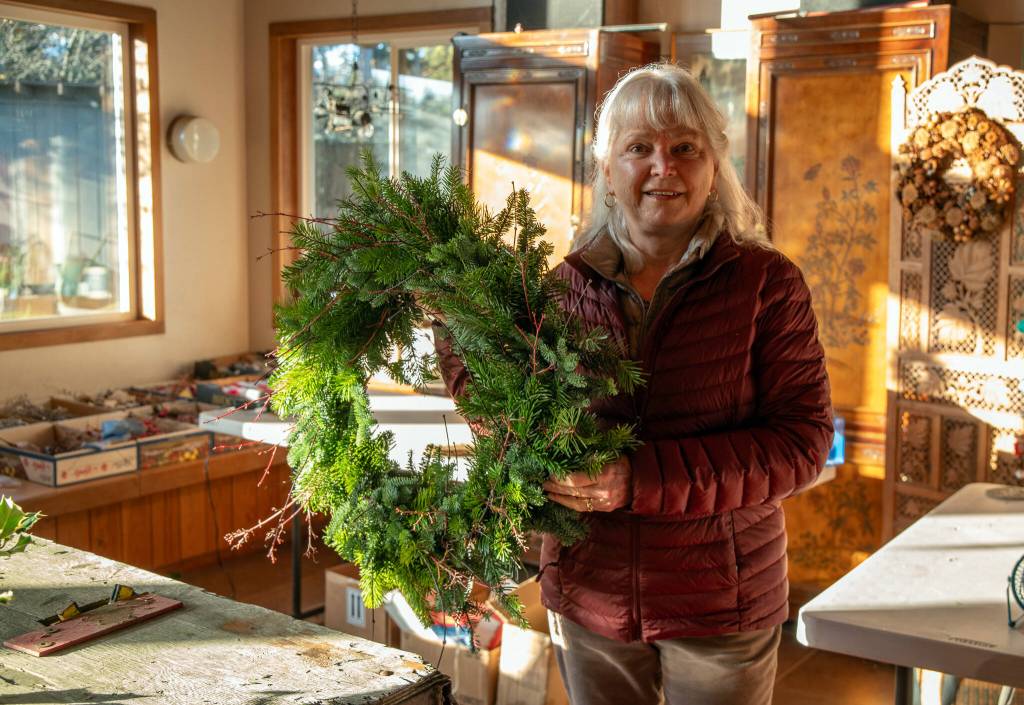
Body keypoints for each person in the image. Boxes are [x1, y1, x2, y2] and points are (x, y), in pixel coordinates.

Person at [438, 63, 833, 705]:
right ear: (607, 170)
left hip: (720, 601)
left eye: (684, 148)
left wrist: (637, 479)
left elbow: (802, 445)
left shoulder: (766, 284)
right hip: (590, 598)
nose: (663, 167)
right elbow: (514, 419)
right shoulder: (561, 288)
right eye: (639, 148)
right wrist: (456, 334)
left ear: (714, 164)